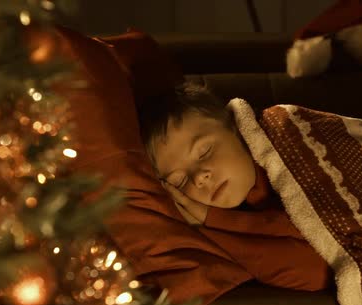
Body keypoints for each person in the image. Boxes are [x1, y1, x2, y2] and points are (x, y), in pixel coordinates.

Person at [136, 81, 332, 291]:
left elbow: (325, 228)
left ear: (235, 128)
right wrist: (205, 227)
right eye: (179, 181)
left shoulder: (289, 145)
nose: (200, 177)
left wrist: (213, 219)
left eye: (204, 152)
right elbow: (313, 269)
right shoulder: (217, 226)